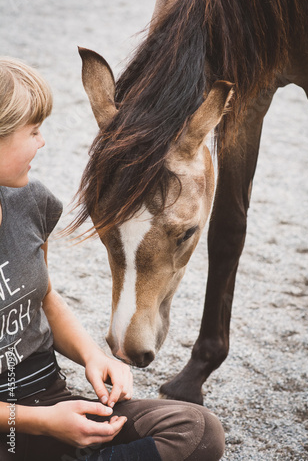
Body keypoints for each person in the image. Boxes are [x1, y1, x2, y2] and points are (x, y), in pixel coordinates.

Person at [0, 56, 225, 461]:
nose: (43, 142)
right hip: (12, 424)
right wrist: (42, 423)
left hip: (49, 399)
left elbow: (45, 298)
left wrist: (94, 358)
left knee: (200, 431)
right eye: (33, 131)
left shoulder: (31, 203)